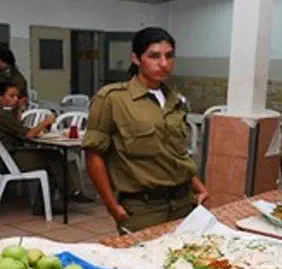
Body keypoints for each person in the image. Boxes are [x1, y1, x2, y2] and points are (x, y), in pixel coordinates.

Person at [82, 27, 208, 233]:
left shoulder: (175, 100)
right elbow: (93, 155)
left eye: (169, 56)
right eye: (154, 56)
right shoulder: (113, 98)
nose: (164, 63)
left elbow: (174, 153)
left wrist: (198, 187)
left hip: (183, 202)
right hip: (143, 207)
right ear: (136, 59)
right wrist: (112, 206)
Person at [0, 81, 91, 213]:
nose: (15, 99)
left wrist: (19, 109)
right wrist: (45, 122)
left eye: (17, 96)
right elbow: (28, 134)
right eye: (11, 96)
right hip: (8, 159)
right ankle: (69, 192)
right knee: (55, 157)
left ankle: (51, 200)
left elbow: (15, 127)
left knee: (52, 159)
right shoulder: (1, 114)